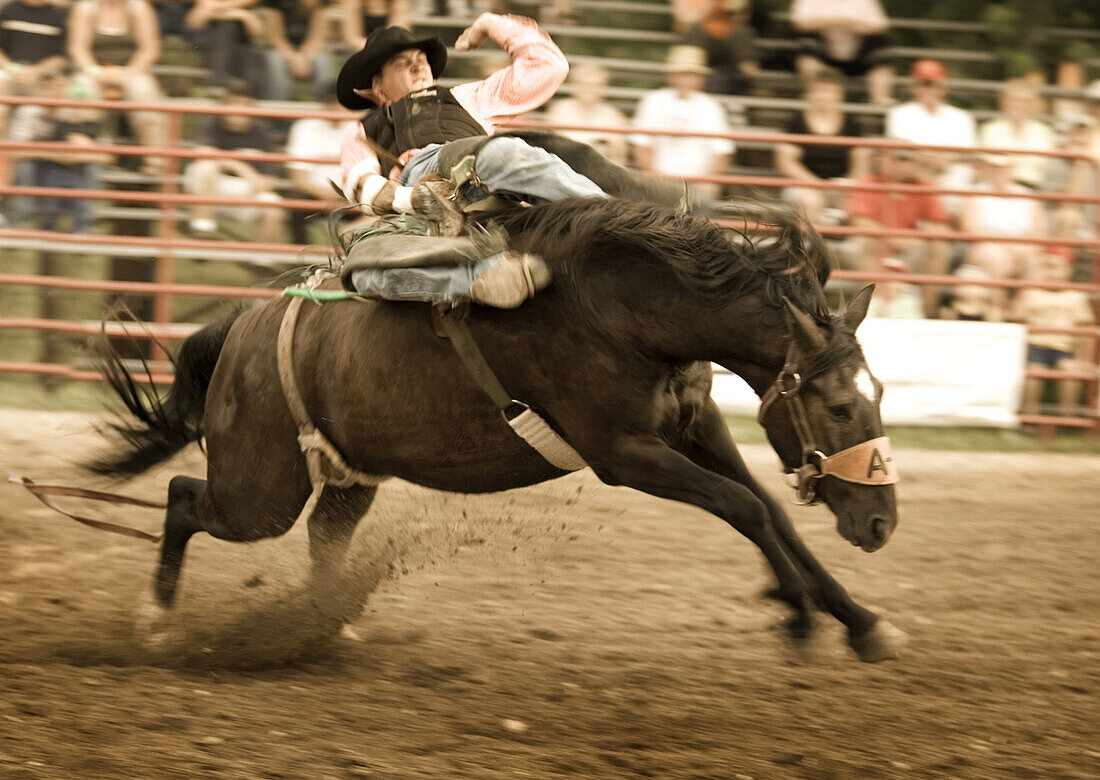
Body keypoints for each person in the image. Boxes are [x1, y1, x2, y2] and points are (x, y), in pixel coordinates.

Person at [337, 14, 617, 307]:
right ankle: (484, 279)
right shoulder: (362, 131)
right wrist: (418, 199)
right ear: (378, 87)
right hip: (413, 205)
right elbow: (366, 189)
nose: (418, 64)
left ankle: (614, 218)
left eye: (421, 58)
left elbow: (549, 66)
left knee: (501, 153)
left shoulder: (468, 97)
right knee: (361, 273)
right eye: (400, 62)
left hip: (471, 168)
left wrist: (490, 23)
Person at [847, 148, 950, 317]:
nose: (896, 163)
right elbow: (860, 221)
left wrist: (915, 238)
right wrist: (891, 237)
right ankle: (870, 308)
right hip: (877, 247)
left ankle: (927, 312)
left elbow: (941, 226)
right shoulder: (868, 183)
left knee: (940, 246)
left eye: (904, 159)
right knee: (864, 240)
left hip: (912, 249)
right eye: (891, 158)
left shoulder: (925, 187)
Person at [67, 0, 167, 169]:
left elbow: (149, 49)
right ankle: (86, 152)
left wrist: (129, 73)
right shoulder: (85, 7)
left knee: (143, 89)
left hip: (131, 70)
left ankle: (155, 158)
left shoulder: (139, 7)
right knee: (82, 87)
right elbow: (78, 49)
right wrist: (96, 72)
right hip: (94, 69)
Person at [184, 78, 283, 238]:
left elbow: (270, 181)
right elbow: (203, 153)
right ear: (223, 105)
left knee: (273, 206)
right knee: (205, 167)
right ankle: (203, 228)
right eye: (232, 104)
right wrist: (243, 168)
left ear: (252, 108)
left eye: (243, 105)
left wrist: (249, 194)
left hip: (247, 191)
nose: (237, 111)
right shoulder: (212, 123)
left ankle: (263, 259)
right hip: (214, 188)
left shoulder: (263, 134)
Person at [631, 45, 733, 198]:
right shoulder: (653, 100)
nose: (686, 80)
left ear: (700, 78)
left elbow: (722, 153)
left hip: (699, 182)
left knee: (703, 200)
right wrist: (653, 175)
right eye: (681, 74)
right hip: (659, 178)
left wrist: (706, 179)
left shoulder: (711, 107)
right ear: (671, 76)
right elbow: (641, 146)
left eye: (690, 74)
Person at [885, 59, 975, 221]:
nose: (928, 89)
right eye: (923, 84)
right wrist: (934, 159)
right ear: (913, 87)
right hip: (918, 176)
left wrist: (943, 159)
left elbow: (968, 153)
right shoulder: (900, 113)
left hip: (952, 173)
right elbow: (901, 149)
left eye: (932, 84)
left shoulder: (961, 117)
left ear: (943, 87)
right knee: (908, 169)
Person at [774, 68, 867, 224]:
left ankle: (849, 248)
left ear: (840, 95)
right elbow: (786, 163)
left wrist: (845, 185)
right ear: (809, 94)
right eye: (820, 91)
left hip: (842, 186)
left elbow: (862, 164)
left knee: (857, 205)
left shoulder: (852, 124)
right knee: (810, 201)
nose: (825, 96)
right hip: (804, 185)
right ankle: (811, 247)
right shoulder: (796, 122)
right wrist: (817, 185)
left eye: (831, 91)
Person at [1014, 246, 1095, 419]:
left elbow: (1084, 331)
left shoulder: (1076, 296)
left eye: (1057, 267)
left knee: (1070, 373)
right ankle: (1030, 418)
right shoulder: (1030, 292)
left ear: (1069, 270)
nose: (1052, 272)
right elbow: (1018, 321)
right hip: (1034, 347)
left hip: (1064, 348)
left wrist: (1084, 358)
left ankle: (1067, 417)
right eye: (1047, 266)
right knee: (1033, 374)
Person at [961, 153, 1047, 309]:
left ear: (1012, 169)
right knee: (995, 259)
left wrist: (1022, 249)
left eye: (1004, 167)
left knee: (1034, 261)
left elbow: (1038, 233)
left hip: (1021, 247)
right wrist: (1006, 246)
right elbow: (970, 229)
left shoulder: (1029, 195)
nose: (1000, 171)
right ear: (987, 169)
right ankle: (997, 312)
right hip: (986, 246)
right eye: (995, 167)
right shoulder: (974, 193)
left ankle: (1020, 313)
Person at [285, 80, 356, 244]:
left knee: (373, 208)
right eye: (331, 102)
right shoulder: (306, 127)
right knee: (295, 205)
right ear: (324, 103)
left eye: (339, 103)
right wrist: (329, 196)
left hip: (351, 197)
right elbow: (298, 178)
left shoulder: (358, 127)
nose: (335, 108)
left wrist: (347, 197)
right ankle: (299, 262)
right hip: (314, 196)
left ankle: (356, 260)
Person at [789, 0, 893, 105]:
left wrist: (850, 25)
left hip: (858, 56)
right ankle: (815, 95)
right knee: (807, 43)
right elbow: (800, 23)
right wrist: (834, 22)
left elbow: (879, 26)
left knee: (879, 46)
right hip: (823, 55)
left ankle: (880, 100)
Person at [978, 79, 1056, 191]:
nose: (1019, 105)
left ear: (1032, 105)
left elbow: (1049, 171)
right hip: (997, 191)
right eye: (1014, 100)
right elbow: (985, 170)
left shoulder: (1044, 132)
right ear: (1004, 102)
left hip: (1036, 192)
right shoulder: (990, 130)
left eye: (1025, 101)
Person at [545, 62, 629, 166]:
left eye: (595, 85)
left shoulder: (614, 116)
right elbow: (550, 148)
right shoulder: (558, 110)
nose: (589, 89)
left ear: (604, 88)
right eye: (583, 84)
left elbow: (619, 158)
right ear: (573, 86)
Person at [679, 0, 759, 96]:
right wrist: (710, 5)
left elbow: (741, 18)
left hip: (729, 36)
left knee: (744, 32)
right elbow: (685, 20)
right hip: (702, 36)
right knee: (694, 32)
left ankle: (749, 85)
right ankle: (688, 84)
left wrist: (734, 13)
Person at [259, 0, 334, 102]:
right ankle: (277, 113)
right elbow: (275, 38)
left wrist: (304, 57)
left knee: (323, 61)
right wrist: (293, 57)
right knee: (275, 60)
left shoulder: (320, 5)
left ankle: (325, 110)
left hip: (309, 51)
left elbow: (317, 39)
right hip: (281, 50)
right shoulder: (274, 4)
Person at [184, 0, 265, 93]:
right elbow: (195, 21)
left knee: (243, 51)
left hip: (237, 49)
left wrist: (219, 11)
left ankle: (220, 86)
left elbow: (258, 32)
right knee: (226, 27)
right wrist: (240, 14)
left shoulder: (251, 9)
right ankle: (221, 86)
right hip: (209, 44)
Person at [340, 0, 411, 52]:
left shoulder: (400, 3)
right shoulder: (353, 2)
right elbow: (352, 38)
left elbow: (395, 37)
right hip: (360, 50)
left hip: (388, 51)